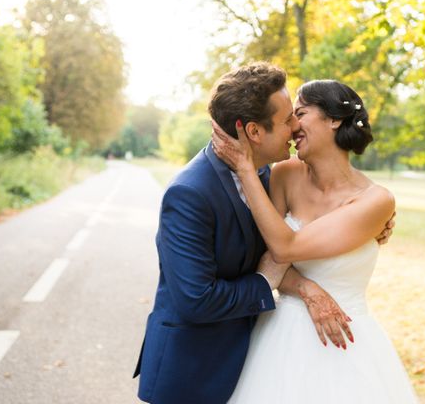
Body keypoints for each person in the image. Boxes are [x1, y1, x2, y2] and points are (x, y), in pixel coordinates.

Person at [133, 63, 393, 404]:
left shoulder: (269, 175)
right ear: (254, 133)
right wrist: (296, 286)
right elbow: (198, 299)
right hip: (197, 367)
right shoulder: (191, 193)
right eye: (289, 118)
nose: (295, 125)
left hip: (307, 347)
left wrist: (372, 218)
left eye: (298, 114)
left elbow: (287, 237)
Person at [212, 79, 419, 403]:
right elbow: (267, 255)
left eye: (301, 113)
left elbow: (285, 249)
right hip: (278, 337)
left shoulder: (375, 201)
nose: (292, 125)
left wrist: (246, 169)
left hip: (344, 341)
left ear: (334, 119)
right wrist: (308, 290)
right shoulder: (284, 174)